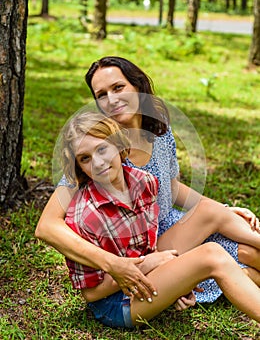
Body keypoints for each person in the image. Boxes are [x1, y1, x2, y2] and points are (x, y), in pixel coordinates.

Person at [35, 56, 260, 306]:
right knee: (243, 253)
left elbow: (172, 188)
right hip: (144, 244)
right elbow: (47, 227)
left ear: (138, 87)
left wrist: (223, 211)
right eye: (101, 95)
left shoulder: (159, 133)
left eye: (118, 87)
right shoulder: (99, 150)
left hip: (175, 225)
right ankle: (213, 281)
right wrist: (113, 263)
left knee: (249, 249)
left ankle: (230, 281)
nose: (111, 99)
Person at [58, 110, 260, 328]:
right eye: (85, 159)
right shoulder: (85, 217)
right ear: (79, 167)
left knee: (211, 218)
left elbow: (148, 245)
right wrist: (148, 266)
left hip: (148, 269)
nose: (97, 163)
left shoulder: (143, 181)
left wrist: (177, 280)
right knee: (212, 255)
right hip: (118, 303)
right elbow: (91, 294)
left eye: (102, 149)